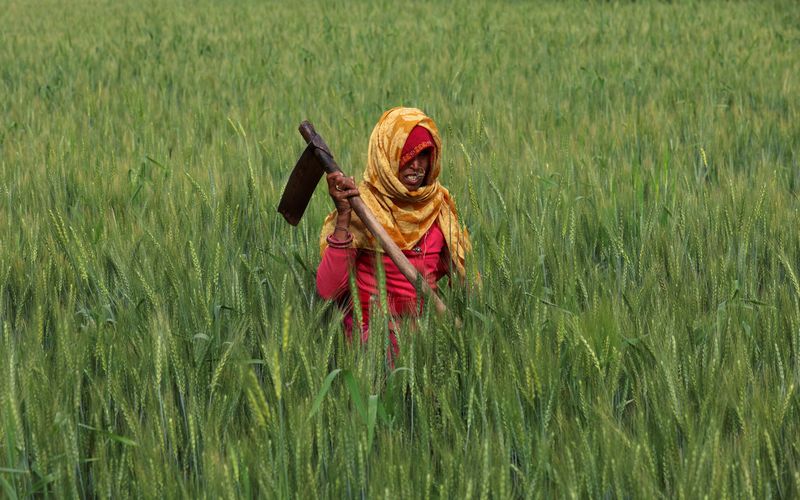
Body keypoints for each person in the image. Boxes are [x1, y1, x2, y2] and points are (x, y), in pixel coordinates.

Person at [315, 107, 472, 359]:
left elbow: (467, 284)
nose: (417, 165)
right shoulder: (361, 207)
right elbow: (327, 290)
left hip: (424, 342)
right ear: (387, 155)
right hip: (370, 343)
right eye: (407, 155)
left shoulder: (438, 208)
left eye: (424, 156)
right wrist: (344, 217)